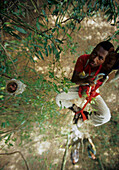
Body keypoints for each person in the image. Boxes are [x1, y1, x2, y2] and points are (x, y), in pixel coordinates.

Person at [56, 41, 117, 127]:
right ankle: (76, 109)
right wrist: (85, 80)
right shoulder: (83, 59)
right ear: (93, 50)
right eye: (94, 53)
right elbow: (74, 79)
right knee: (59, 98)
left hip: (93, 91)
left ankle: (84, 116)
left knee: (105, 116)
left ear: (105, 60)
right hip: (82, 88)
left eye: (100, 58)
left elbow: (113, 74)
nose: (94, 59)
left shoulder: (105, 69)